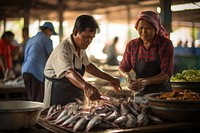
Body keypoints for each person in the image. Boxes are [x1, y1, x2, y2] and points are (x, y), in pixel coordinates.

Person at [43, 15, 122, 107]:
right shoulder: (63, 49)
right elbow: (68, 73)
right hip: (56, 94)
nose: (88, 41)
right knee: (52, 118)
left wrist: (110, 78)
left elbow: (89, 67)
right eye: (86, 36)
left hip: (70, 93)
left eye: (92, 38)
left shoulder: (81, 48)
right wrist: (87, 87)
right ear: (76, 32)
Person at [119, 11, 174, 104]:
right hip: (140, 95)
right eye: (141, 28)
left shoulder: (165, 44)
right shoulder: (132, 45)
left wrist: (147, 81)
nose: (143, 32)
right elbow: (122, 67)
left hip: (162, 96)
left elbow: (166, 74)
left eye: (148, 28)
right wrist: (126, 76)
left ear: (155, 28)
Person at [22, 22, 57, 102]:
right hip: (36, 72)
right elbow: (51, 58)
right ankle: (36, 115)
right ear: (48, 30)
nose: (50, 35)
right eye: (51, 33)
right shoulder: (46, 39)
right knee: (37, 100)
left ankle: (31, 114)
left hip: (25, 71)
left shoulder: (31, 39)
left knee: (31, 99)